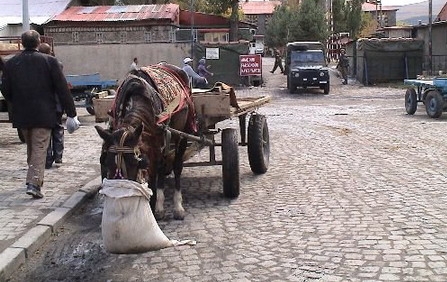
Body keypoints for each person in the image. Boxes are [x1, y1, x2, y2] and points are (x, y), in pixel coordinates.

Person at [1, 30, 79, 199]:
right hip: (44, 113)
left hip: (21, 114)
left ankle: (33, 178)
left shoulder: (11, 63)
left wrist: (16, 102)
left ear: (22, 43)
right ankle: (34, 183)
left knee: (33, 147)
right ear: (37, 43)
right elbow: (62, 89)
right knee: (38, 148)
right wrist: (72, 113)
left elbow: (5, 90)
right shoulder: (50, 61)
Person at [38, 42, 65, 169]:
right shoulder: (57, 64)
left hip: (43, 105)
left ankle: (48, 159)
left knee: (45, 132)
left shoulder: (36, 66)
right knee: (58, 130)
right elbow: (61, 86)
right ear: (50, 51)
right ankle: (58, 157)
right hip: (56, 103)